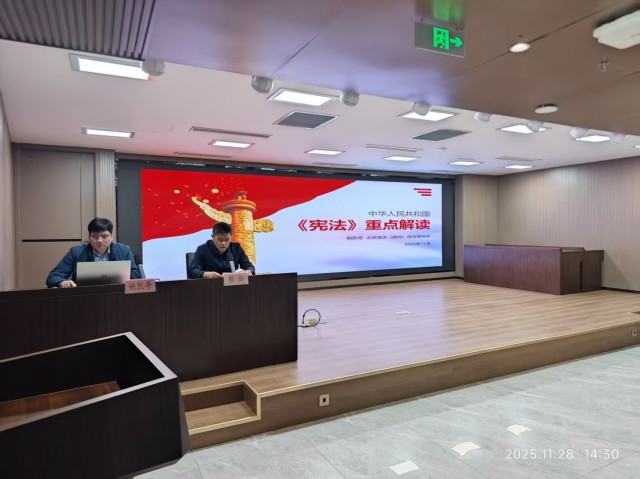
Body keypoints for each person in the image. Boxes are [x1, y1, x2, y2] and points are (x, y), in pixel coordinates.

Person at [46, 217, 141, 288]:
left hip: (116, 295)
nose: (99, 240)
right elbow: (53, 276)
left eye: (104, 236)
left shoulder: (124, 250)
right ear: (89, 237)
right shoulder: (76, 252)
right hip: (84, 298)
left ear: (111, 237)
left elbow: (136, 275)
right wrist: (62, 282)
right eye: (95, 236)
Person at [188, 222, 255, 279]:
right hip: (210, 285)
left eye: (227, 240)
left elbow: (249, 265)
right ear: (213, 237)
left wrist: (249, 271)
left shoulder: (236, 248)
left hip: (232, 284)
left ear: (231, 236)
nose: (223, 243)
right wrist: (206, 274)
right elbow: (193, 271)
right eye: (220, 240)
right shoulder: (203, 249)